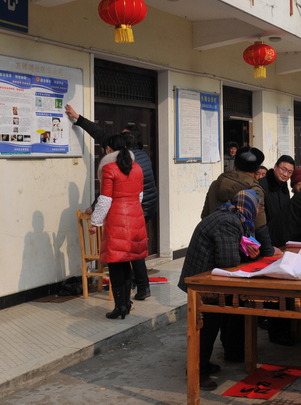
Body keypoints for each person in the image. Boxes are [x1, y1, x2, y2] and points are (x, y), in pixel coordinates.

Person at [64, 105, 157, 301]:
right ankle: (139, 286)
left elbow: (111, 192)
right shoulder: (140, 158)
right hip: (143, 207)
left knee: (126, 249)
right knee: (133, 246)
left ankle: (128, 292)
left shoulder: (124, 162)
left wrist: (95, 213)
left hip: (133, 209)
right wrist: (78, 118)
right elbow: (99, 133)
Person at [178, 190, 261, 390]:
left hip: (206, 278)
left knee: (211, 324)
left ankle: (203, 363)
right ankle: (197, 371)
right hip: (202, 283)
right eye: (258, 207)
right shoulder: (229, 222)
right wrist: (244, 253)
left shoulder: (230, 215)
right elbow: (227, 260)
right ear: (250, 208)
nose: (258, 212)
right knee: (206, 328)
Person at [90, 134, 147, 321]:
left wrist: (95, 222)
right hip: (135, 217)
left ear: (109, 149)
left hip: (116, 220)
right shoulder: (137, 167)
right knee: (127, 261)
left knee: (115, 264)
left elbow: (105, 199)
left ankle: (120, 306)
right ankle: (127, 304)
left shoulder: (109, 169)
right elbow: (140, 195)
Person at [202, 146, 278, 257]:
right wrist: (269, 251)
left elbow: (205, 216)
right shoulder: (254, 190)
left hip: (211, 245)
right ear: (256, 170)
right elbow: (259, 226)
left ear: (234, 165)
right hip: (240, 251)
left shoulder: (215, 184)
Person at [257, 155, 295, 345]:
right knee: (272, 289)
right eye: (283, 169)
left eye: (289, 172)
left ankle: (286, 328)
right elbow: (260, 219)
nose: (285, 174)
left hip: (281, 243)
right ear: (275, 167)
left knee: (284, 287)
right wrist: (266, 245)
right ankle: (275, 330)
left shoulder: (283, 187)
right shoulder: (262, 185)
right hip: (266, 244)